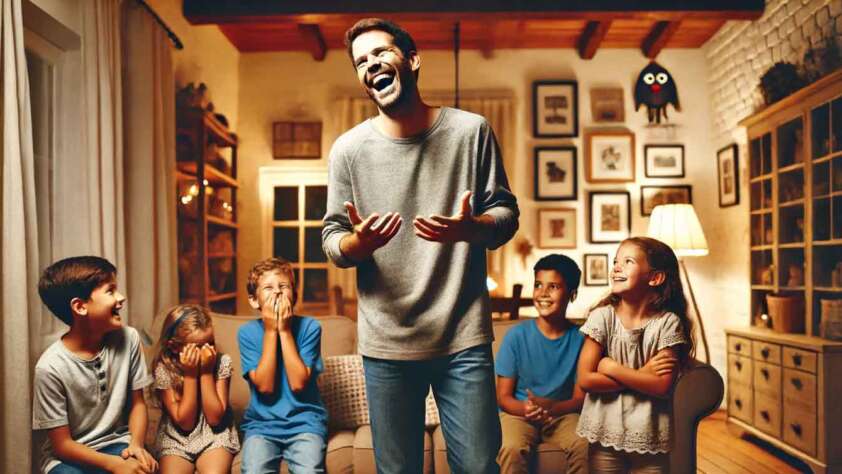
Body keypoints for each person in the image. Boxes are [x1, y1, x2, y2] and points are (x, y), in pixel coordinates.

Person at [322, 17, 519, 474]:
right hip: (386, 342)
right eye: (360, 61)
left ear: (411, 60)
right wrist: (358, 243)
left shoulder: (472, 132)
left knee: (477, 466)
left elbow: (506, 216)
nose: (370, 65)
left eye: (380, 53)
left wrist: (471, 229)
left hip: (462, 336)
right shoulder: (348, 151)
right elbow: (332, 240)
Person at [576, 237, 696, 473]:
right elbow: (586, 379)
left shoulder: (668, 324)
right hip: (605, 435)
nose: (616, 267)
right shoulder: (602, 317)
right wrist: (642, 376)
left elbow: (662, 386)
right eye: (615, 262)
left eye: (627, 261)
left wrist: (612, 368)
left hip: (649, 437)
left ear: (655, 278)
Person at [32, 256, 157, 474]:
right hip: (69, 458)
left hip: (118, 445)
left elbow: (138, 404)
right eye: (110, 291)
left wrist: (136, 446)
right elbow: (62, 446)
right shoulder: (50, 367)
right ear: (80, 307)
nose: (121, 297)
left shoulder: (129, 338)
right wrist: (115, 466)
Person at [495, 254, 588, 473]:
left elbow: (579, 399)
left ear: (572, 294)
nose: (543, 293)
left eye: (553, 286)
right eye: (538, 285)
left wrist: (552, 407)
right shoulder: (515, 336)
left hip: (562, 414)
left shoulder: (581, 339)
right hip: (518, 414)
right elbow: (504, 397)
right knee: (511, 447)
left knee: (584, 444)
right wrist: (527, 409)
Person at [237, 258, 327, 473]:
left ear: (294, 295)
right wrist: (270, 331)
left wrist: (284, 330)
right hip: (261, 426)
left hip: (305, 424)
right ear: (253, 300)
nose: (277, 292)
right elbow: (266, 387)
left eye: (283, 286)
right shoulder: (247, 333)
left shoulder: (310, 328)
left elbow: (298, 384)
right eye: (268, 287)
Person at [151, 304, 240, 472]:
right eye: (198, 347)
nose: (207, 351)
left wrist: (206, 373)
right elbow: (185, 423)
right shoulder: (164, 369)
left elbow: (215, 418)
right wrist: (191, 375)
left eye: (211, 343)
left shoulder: (221, 362)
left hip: (215, 434)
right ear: (174, 347)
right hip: (176, 437)